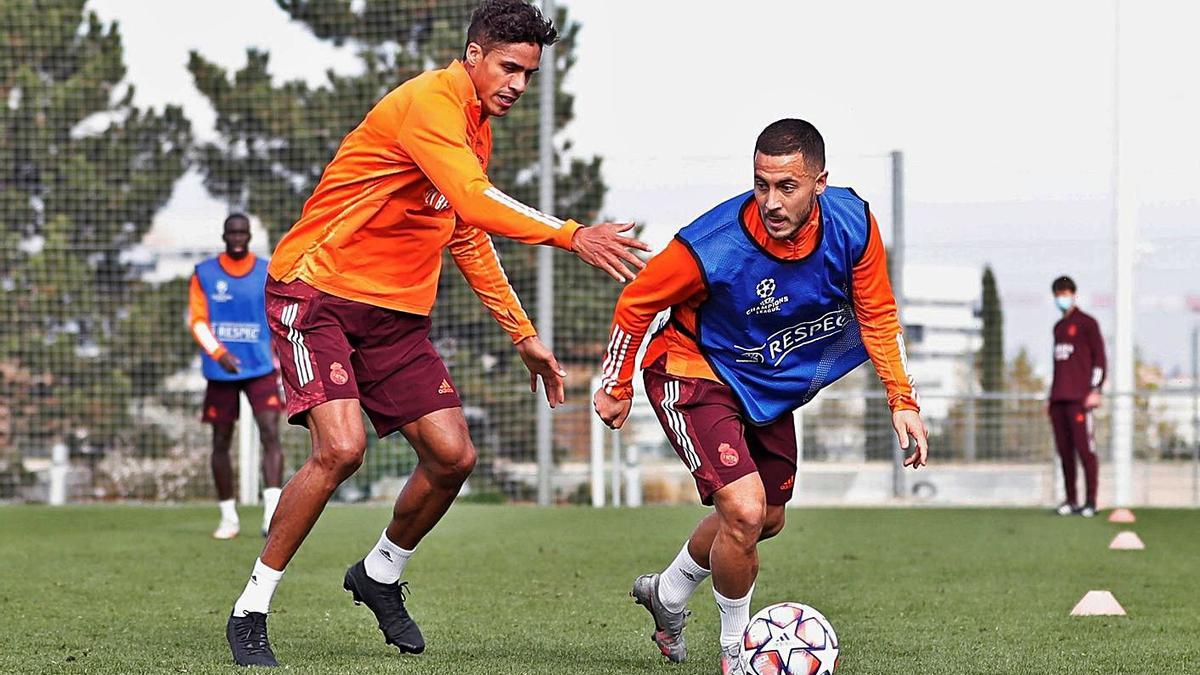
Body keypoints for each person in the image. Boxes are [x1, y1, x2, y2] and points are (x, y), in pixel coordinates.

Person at [223, 0, 648, 667]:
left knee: (453, 456)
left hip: (394, 315)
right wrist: (572, 232)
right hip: (317, 293)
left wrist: (523, 335)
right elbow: (478, 202)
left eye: (529, 74)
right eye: (509, 67)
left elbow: (466, 230)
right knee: (342, 448)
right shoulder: (430, 104)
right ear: (474, 55)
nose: (517, 84)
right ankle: (251, 606)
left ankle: (381, 572)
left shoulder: (477, 128)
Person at [593, 119, 929, 674]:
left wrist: (903, 400)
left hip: (761, 388)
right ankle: (737, 652)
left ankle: (669, 593)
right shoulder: (712, 244)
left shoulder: (854, 225)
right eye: (761, 184)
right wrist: (616, 382)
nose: (771, 201)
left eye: (787, 187)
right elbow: (637, 301)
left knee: (766, 519)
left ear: (820, 182)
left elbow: (877, 313)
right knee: (744, 511)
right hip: (690, 368)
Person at [188, 213, 286, 540]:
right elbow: (198, 321)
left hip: (259, 367)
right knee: (220, 441)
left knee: (271, 432)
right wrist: (219, 353)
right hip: (221, 370)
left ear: (249, 235)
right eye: (233, 232)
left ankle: (271, 513)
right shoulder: (204, 273)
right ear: (224, 235)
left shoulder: (266, 271)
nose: (238, 237)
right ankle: (228, 517)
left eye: (243, 232)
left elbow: (277, 315)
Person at [1047, 275, 1106, 518]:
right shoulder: (1058, 327)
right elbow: (1058, 366)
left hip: (1080, 399)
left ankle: (1091, 501)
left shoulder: (1087, 323)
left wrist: (1095, 390)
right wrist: (1049, 398)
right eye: (1058, 294)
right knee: (1065, 453)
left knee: (1085, 450)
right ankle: (1071, 500)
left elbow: (1100, 360)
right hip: (1058, 400)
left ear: (1073, 294)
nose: (1062, 297)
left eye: (1066, 293)